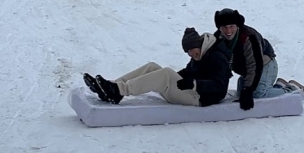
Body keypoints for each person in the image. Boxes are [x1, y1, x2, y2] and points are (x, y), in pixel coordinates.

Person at [85, 27, 233, 106]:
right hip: (190, 92)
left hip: (200, 99)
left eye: (190, 50)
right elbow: (188, 72)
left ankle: (118, 91)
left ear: (198, 45)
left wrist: (193, 84)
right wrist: (182, 79)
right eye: (187, 52)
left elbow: (219, 86)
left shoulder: (217, 57)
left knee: (166, 73)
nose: (189, 54)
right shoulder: (202, 54)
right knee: (152, 67)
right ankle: (112, 86)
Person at [213, 8, 304, 109]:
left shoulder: (248, 37)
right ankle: (279, 86)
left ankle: (293, 89)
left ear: (237, 25)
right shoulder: (217, 39)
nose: (228, 31)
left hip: (265, 65)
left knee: (259, 94)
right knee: (241, 94)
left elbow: (255, 65)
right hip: (247, 70)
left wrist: (248, 90)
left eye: (231, 26)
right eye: (224, 27)